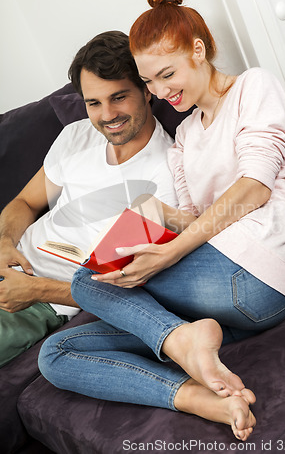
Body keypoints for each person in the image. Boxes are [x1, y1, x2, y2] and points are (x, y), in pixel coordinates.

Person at [39, 0, 285, 441]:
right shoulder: (185, 135)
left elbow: (254, 188)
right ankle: (203, 395)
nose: (162, 93)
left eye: (168, 75)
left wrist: (173, 249)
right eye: (149, 81)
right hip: (225, 303)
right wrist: (157, 214)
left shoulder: (254, 88)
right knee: (58, 354)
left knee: (86, 279)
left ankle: (183, 339)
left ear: (198, 52)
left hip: (260, 271)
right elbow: (196, 213)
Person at [0, 30, 178, 368]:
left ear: (146, 90)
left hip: (37, 301)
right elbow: (25, 202)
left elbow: (109, 288)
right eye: (93, 103)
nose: (107, 114)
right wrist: (4, 242)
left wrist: (33, 291)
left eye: (119, 97)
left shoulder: (162, 177)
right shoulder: (76, 135)